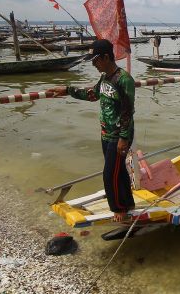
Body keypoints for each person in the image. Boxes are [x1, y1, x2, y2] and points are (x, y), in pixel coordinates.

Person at [52, 39, 135, 222]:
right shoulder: (105, 78)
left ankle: (118, 209)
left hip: (119, 135)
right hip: (106, 133)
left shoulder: (124, 79)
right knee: (117, 171)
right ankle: (128, 202)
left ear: (106, 57)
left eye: (95, 60)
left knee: (108, 175)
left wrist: (123, 138)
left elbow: (128, 111)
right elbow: (92, 95)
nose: (93, 64)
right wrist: (67, 90)